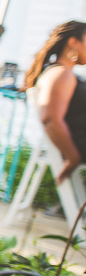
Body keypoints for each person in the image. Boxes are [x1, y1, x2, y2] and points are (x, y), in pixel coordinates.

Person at [23, 20, 86, 183]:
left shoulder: (63, 73)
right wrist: (73, 157)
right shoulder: (61, 74)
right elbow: (50, 119)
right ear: (73, 41)